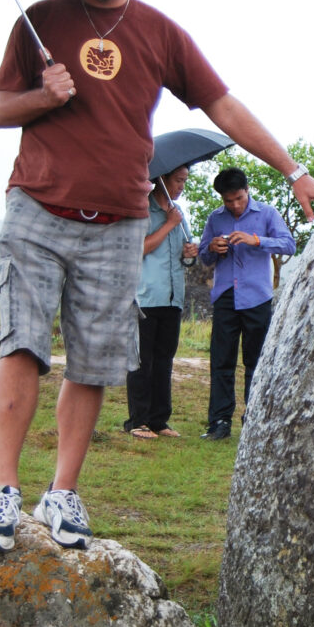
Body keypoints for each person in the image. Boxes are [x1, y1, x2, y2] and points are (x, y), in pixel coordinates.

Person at [0, 0, 314, 553]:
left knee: (92, 363)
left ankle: (61, 492)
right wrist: (45, 96)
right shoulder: (38, 22)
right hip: (37, 207)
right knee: (22, 344)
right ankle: (3, 490)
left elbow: (222, 103)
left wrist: (291, 170)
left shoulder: (159, 33)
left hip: (118, 220)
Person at [199, 167, 295, 441]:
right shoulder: (215, 219)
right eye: (228, 201)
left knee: (256, 362)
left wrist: (256, 240)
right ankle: (219, 422)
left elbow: (289, 245)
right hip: (226, 296)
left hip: (257, 297)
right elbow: (205, 258)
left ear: (247, 190)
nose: (234, 205)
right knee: (221, 362)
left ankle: (254, 419)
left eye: (239, 198)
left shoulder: (267, 214)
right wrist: (212, 248)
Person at [123, 165, 196, 440]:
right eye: (178, 180)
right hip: (146, 297)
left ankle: (159, 419)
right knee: (143, 361)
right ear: (162, 180)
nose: (181, 186)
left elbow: (184, 256)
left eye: (184, 181)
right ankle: (137, 420)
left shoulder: (178, 214)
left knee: (165, 360)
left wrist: (190, 253)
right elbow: (138, 248)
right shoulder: (142, 210)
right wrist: (168, 225)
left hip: (172, 298)